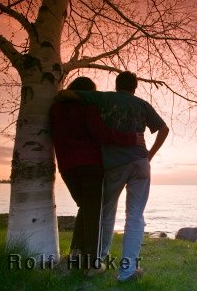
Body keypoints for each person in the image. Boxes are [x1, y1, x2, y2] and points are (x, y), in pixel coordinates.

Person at [57, 71, 169, 282]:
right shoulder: (143, 104)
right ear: (134, 87)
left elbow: (66, 95)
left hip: (115, 166)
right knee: (135, 217)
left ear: (117, 85)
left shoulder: (104, 97)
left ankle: (99, 261)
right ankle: (127, 272)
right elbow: (164, 129)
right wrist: (150, 155)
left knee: (106, 214)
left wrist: (60, 94)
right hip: (140, 165)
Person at [50, 77, 144, 274]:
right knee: (95, 213)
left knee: (85, 208)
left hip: (67, 168)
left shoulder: (55, 110)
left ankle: (76, 254)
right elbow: (102, 134)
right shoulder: (87, 108)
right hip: (91, 166)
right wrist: (131, 138)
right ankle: (93, 264)